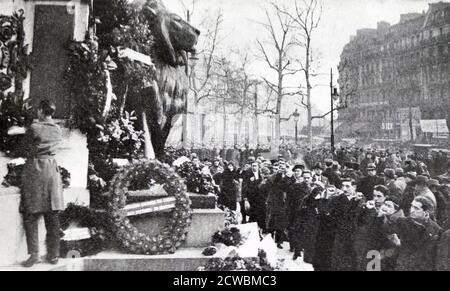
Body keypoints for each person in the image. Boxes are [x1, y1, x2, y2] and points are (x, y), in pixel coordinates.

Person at [9, 100, 64, 267]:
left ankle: (34, 255)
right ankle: (54, 255)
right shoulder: (57, 129)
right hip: (52, 172)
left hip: (35, 170)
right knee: (52, 215)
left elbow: (23, 149)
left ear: (40, 111)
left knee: (31, 214)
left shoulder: (34, 128)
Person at [386, 197, 442, 271]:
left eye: (416, 208)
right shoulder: (402, 222)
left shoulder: (436, 230)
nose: (412, 210)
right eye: (412, 206)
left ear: (426, 212)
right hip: (402, 267)